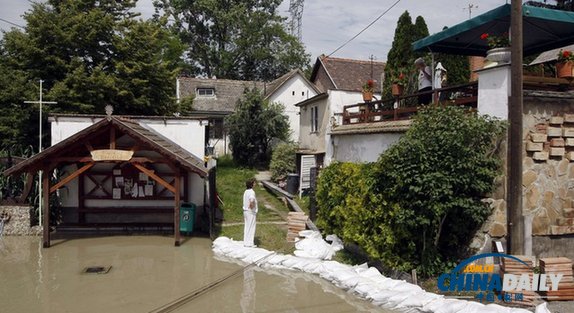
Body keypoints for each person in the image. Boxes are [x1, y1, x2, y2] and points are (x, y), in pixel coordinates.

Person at [242, 178, 258, 247]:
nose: (255, 184)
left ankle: (246, 241)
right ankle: (250, 243)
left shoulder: (246, 191)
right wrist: (251, 205)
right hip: (250, 212)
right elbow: (252, 199)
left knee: (247, 226)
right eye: (254, 183)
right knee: (251, 227)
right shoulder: (252, 192)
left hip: (245, 211)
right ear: (252, 184)